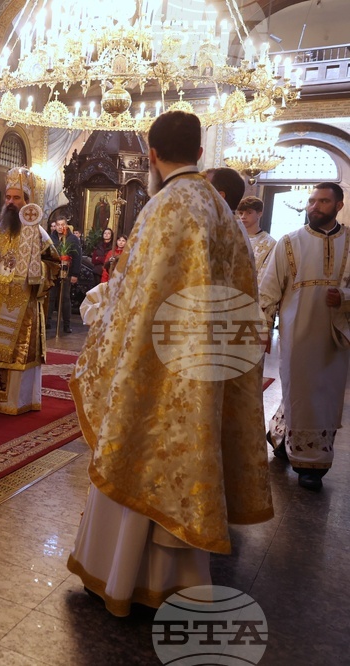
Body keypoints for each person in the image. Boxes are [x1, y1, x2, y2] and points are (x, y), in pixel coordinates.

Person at [66, 111, 273, 616]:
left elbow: (131, 301)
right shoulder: (223, 214)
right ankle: (175, 581)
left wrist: (108, 355)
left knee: (135, 452)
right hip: (206, 370)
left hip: (156, 368)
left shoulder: (163, 209)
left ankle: (119, 576)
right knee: (189, 460)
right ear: (200, 153)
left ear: (152, 155)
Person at [261, 182, 349, 491]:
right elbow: (268, 290)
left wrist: (345, 298)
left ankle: (304, 454)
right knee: (298, 391)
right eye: (312, 201)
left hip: (336, 335)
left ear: (338, 205)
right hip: (297, 333)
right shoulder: (289, 242)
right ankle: (305, 462)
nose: (314, 206)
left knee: (325, 396)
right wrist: (262, 329)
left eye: (323, 201)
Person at [0, 169, 58, 414]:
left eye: (16, 198)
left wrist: (34, 270)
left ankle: (13, 400)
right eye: (8, 197)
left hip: (22, 306)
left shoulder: (39, 236)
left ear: (27, 202)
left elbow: (53, 265)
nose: (10, 202)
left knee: (16, 352)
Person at [47, 218, 81, 333]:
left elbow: (77, 257)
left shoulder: (73, 239)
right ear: (55, 226)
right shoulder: (51, 238)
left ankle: (66, 324)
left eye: (62, 225)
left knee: (65, 298)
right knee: (51, 297)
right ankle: (47, 321)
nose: (60, 227)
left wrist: (75, 274)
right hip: (53, 272)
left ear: (66, 226)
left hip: (67, 272)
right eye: (58, 225)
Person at [236, 196, 276, 280]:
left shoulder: (270, 243)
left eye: (249, 213)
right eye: (241, 213)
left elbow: (268, 275)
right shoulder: (233, 238)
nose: (243, 216)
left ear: (259, 214)